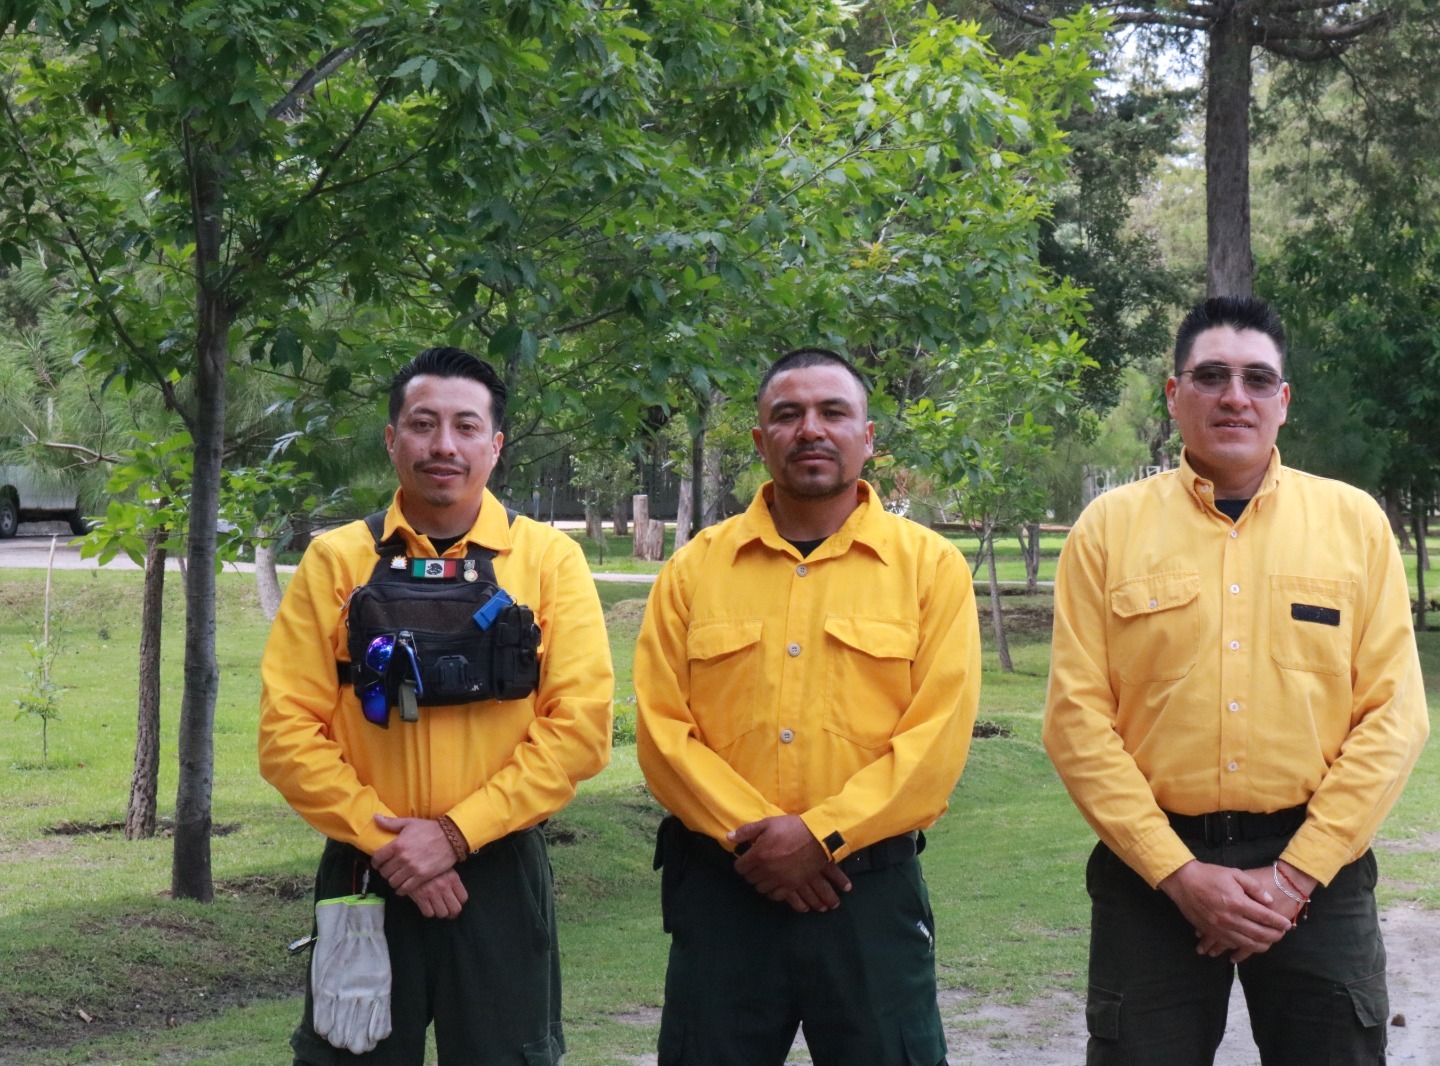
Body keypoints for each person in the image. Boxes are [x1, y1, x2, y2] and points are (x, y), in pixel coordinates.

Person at [1042, 296, 1430, 1066]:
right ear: (1173, 394)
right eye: (1211, 376)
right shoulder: (1107, 532)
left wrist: (1295, 877)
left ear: (1283, 400)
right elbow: (1075, 723)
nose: (1234, 396)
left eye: (1256, 379)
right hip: (1152, 876)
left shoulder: (1354, 525)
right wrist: (1179, 874)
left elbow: (1394, 717)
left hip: (1317, 873)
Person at [260, 346, 613, 1066]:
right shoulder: (336, 561)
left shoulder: (547, 561)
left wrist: (454, 836)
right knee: (348, 1053)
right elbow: (286, 732)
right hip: (367, 868)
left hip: (498, 870)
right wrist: (389, 842)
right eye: (423, 425)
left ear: (496, 444)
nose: (443, 445)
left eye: (465, 426)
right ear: (392, 439)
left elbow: (579, 730)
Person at [634, 348, 981, 1065]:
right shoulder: (695, 569)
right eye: (787, 415)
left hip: (868, 897)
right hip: (724, 894)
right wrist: (764, 843)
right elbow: (663, 733)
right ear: (760, 440)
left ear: (868, 437)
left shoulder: (929, 569)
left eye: (833, 412)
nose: (810, 429)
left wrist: (822, 835)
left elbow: (936, 742)